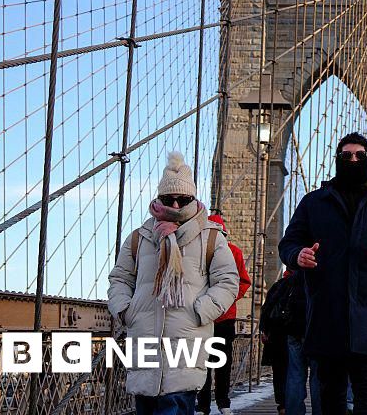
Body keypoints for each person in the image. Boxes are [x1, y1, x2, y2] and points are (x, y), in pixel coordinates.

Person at [278, 132, 367, 415]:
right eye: (347, 155)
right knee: (330, 399)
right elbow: (288, 244)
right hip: (328, 321)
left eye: (359, 155)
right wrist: (297, 256)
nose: (353, 159)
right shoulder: (313, 203)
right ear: (338, 159)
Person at [108, 151, 240, 415]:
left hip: (186, 348)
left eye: (183, 199)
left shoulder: (210, 237)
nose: (176, 206)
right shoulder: (140, 238)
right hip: (144, 348)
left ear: (193, 198)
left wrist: (200, 311)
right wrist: (125, 310)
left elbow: (228, 281)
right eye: (169, 199)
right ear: (159, 199)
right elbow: (120, 279)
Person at [197, 213, 252, 415]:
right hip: (205, 317)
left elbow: (244, 282)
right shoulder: (199, 251)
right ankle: (208, 404)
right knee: (206, 364)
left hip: (218, 317)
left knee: (215, 363)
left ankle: (220, 403)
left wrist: (225, 299)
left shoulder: (233, 252)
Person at [285, 269, 322, 415]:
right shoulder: (322, 273)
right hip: (315, 329)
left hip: (295, 328)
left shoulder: (295, 277)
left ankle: (293, 412)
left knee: (295, 375)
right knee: (317, 376)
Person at [260, 272, 294, 415]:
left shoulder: (278, 286)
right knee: (296, 372)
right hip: (294, 334)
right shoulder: (306, 284)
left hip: (277, 336)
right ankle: (293, 405)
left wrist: (265, 330)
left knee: (280, 371)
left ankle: (283, 405)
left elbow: (266, 309)